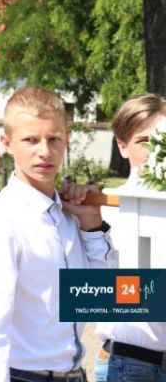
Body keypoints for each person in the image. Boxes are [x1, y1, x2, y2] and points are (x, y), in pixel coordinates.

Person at [0, 86, 114, 382]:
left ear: (66, 139)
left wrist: (93, 225)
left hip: (74, 374)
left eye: (53, 139)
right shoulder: (0, 224)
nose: (45, 151)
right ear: (7, 143)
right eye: (31, 140)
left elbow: (102, 301)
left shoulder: (69, 216)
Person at [93, 94, 166, 382]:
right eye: (145, 141)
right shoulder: (102, 209)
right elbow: (85, 293)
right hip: (129, 363)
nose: (157, 151)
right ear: (122, 146)